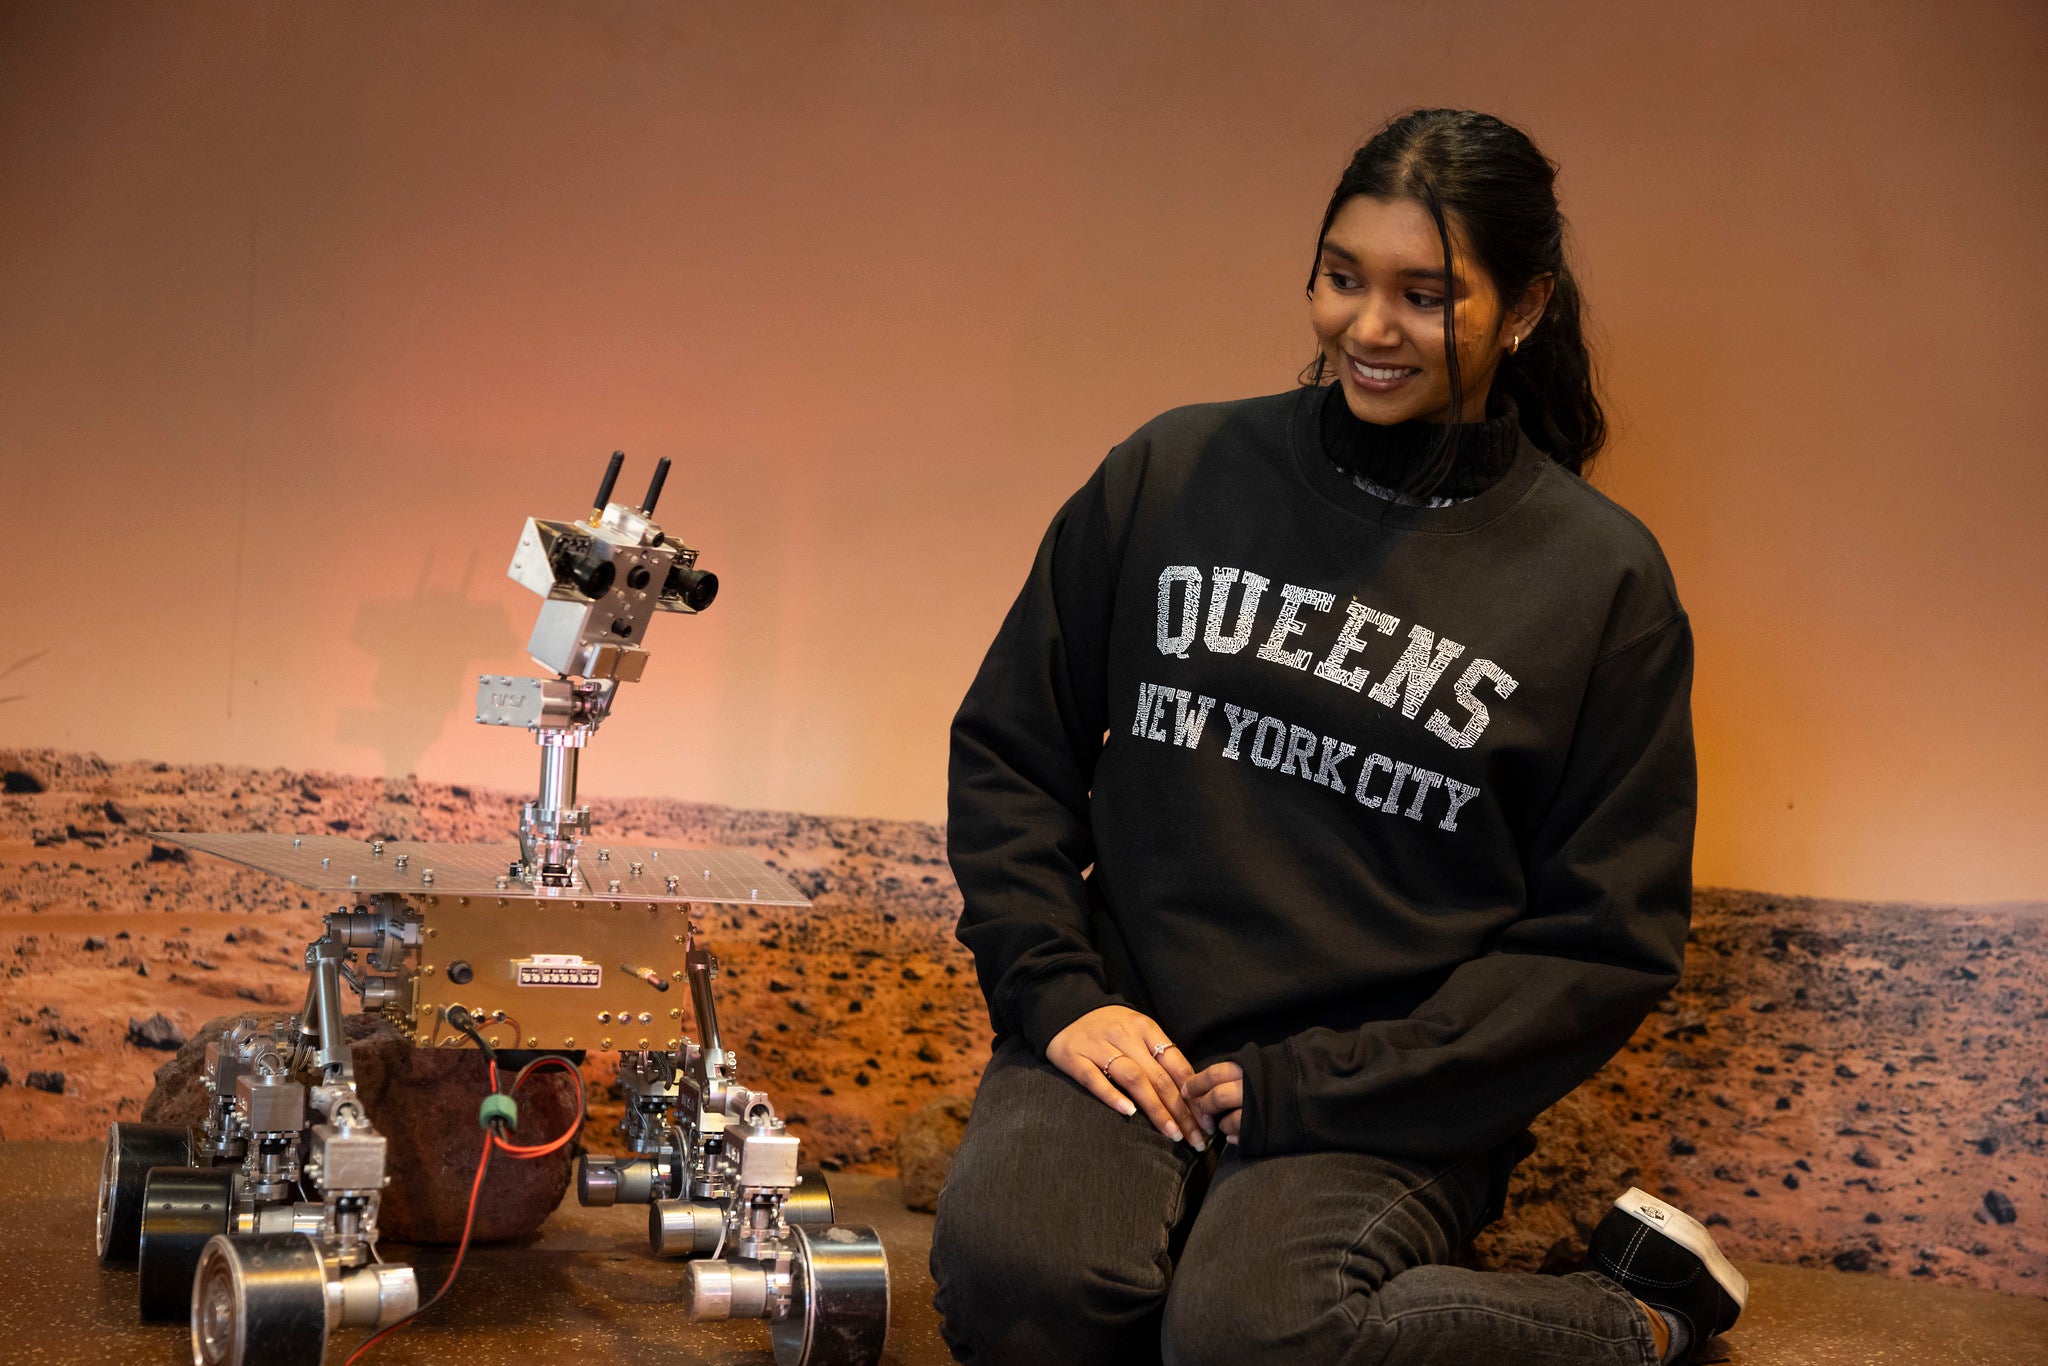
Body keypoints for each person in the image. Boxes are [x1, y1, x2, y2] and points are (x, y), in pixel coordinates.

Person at [931, 107, 1749, 1366]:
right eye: (1340, 278)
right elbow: (1010, 748)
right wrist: (1056, 993)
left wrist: (1330, 1086)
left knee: (1248, 1336)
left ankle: (1634, 1317)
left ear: (1521, 308)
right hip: (1128, 1027)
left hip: (1385, 1087)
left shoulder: (1599, 583)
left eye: (1425, 296)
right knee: (1022, 1286)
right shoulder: (1172, 469)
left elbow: (1602, 942)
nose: (1367, 329)